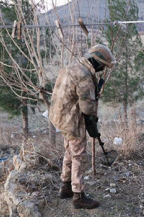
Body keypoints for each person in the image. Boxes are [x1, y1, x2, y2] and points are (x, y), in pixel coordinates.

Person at [49, 44, 116, 209]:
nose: (102, 70)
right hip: (71, 119)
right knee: (79, 155)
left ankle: (65, 187)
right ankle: (78, 195)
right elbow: (86, 108)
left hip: (58, 115)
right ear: (98, 62)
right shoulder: (84, 76)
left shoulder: (73, 66)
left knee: (70, 150)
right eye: (103, 66)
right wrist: (93, 119)